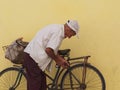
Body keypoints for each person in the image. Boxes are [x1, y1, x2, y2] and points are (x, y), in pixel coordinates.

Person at [23, 20, 80, 90]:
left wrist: (60, 60)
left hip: (35, 59)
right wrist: (58, 60)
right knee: (35, 85)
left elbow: (52, 50)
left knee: (42, 85)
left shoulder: (58, 29)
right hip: (32, 58)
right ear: (69, 29)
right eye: (72, 34)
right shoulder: (58, 33)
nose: (69, 37)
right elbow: (49, 50)